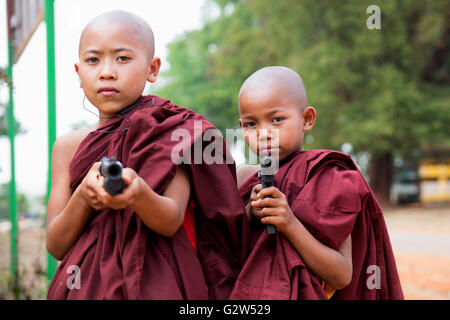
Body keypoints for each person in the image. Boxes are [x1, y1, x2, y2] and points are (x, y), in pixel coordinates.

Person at [46, 10, 249, 300]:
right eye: (93, 60)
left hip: (157, 283)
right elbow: (56, 245)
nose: (106, 71)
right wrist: (83, 197)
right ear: (79, 74)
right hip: (84, 286)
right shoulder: (67, 146)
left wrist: (138, 194)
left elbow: (170, 219)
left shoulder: (167, 131)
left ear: (152, 68)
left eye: (123, 58)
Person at [230, 66, 404, 299]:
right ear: (241, 127)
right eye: (251, 124)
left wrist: (290, 224)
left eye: (277, 119)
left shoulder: (326, 176)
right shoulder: (243, 179)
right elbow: (227, 256)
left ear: (307, 119)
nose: (264, 133)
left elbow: (341, 275)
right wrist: (250, 214)